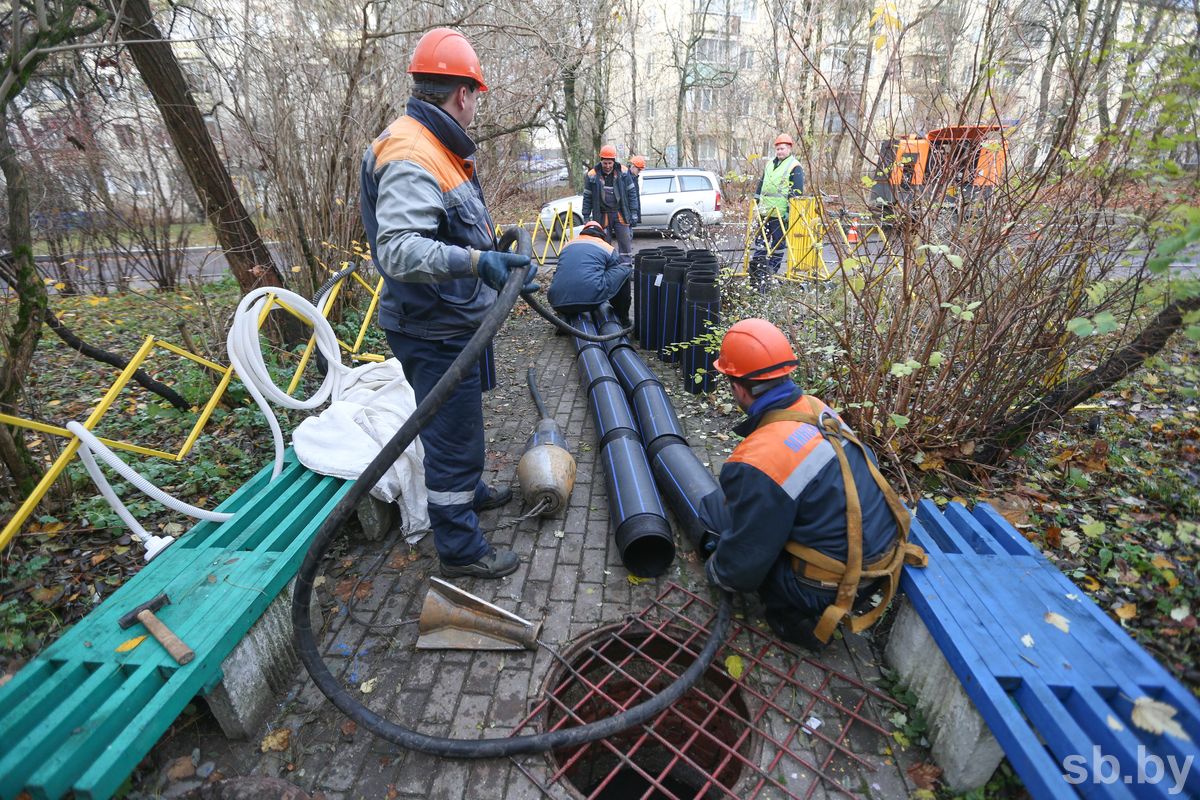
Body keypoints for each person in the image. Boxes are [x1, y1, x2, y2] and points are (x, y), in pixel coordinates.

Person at [359, 27, 537, 580]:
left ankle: (471, 489)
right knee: (450, 438)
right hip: (432, 327)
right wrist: (477, 263)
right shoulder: (413, 151)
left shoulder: (438, 144)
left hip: (457, 318)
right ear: (463, 93)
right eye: (476, 95)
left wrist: (498, 266)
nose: (477, 105)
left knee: (463, 425)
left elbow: (454, 225)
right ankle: (460, 548)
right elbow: (400, 249)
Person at [701, 319, 925, 647]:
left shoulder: (760, 460)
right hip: (881, 559)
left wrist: (717, 572)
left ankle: (796, 620)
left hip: (836, 587)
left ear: (737, 386)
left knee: (722, 525)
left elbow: (744, 565)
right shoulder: (817, 408)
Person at [547, 221, 632, 325]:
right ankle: (623, 319)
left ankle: (565, 318)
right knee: (624, 271)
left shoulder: (567, 245)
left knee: (562, 274)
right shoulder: (607, 247)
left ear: (583, 232)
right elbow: (615, 275)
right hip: (590, 301)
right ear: (602, 235)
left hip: (557, 301)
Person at [750, 134, 805, 290]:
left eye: (782, 148)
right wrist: (756, 200)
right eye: (778, 148)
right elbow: (761, 184)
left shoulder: (795, 166)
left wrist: (790, 211)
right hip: (765, 210)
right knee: (761, 241)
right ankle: (758, 266)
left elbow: (797, 192)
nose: (780, 151)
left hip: (780, 213)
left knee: (778, 243)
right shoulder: (769, 164)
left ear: (789, 148)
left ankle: (771, 270)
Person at [581, 145, 640, 267]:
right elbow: (587, 197)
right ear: (600, 161)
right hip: (602, 214)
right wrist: (586, 215)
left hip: (620, 213)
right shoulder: (592, 175)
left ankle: (626, 268)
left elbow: (632, 193)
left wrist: (634, 212)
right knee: (603, 244)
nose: (607, 166)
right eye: (605, 163)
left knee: (625, 242)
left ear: (614, 161)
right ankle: (607, 268)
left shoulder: (623, 173)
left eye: (610, 163)